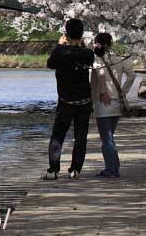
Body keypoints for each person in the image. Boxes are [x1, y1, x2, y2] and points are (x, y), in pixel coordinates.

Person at [42, 18, 95, 180]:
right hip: (84, 102)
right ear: (81, 35)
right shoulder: (87, 53)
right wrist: (81, 44)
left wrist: (59, 45)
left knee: (58, 136)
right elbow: (85, 55)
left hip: (65, 102)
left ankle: (53, 169)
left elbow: (50, 64)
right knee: (80, 136)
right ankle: (75, 169)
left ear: (66, 33)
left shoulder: (60, 53)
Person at [90, 32, 135, 178]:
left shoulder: (97, 59)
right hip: (117, 103)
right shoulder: (119, 59)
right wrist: (124, 91)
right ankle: (113, 167)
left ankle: (112, 169)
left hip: (103, 103)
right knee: (109, 137)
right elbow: (132, 75)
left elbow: (100, 74)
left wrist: (103, 92)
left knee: (106, 138)